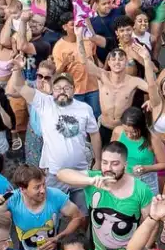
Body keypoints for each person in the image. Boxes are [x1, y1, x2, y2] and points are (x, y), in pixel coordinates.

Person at [8, 58, 100, 207]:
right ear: (53, 89)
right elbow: (19, 86)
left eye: (66, 88)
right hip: (54, 173)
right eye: (58, 88)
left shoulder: (85, 109)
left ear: (74, 89)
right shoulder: (44, 102)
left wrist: (98, 161)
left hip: (80, 172)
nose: (62, 91)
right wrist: (18, 70)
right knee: (52, 211)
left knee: (82, 212)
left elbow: (94, 134)